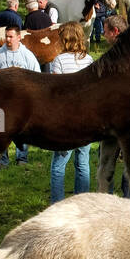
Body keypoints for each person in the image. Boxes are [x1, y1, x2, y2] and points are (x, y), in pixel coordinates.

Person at [46, 22, 94, 203]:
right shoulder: (88, 60)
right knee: (83, 163)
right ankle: (81, 203)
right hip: (86, 118)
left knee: (59, 165)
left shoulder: (58, 61)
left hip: (65, 118)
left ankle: (57, 203)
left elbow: (56, 91)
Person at [0, 25, 39, 166]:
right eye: (6, 36)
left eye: (11, 36)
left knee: (22, 129)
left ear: (18, 37)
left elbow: (37, 76)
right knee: (0, 129)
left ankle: (21, 158)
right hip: (2, 100)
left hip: (21, 100)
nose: (7, 39)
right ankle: (2, 159)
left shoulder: (27, 55)